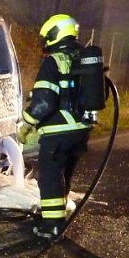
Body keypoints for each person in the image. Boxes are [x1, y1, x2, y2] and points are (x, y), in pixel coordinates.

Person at [18, 14, 96, 239]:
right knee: (64, 173)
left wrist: (27, 123)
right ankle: (56, 214)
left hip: (58, 131)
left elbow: (44, 102)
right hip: (81, 130)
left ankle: (51, 225)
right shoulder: (82, 57)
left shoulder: (54, 61)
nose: (45, 42)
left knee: (50, 175)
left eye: (47, 37)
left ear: (55, 34)